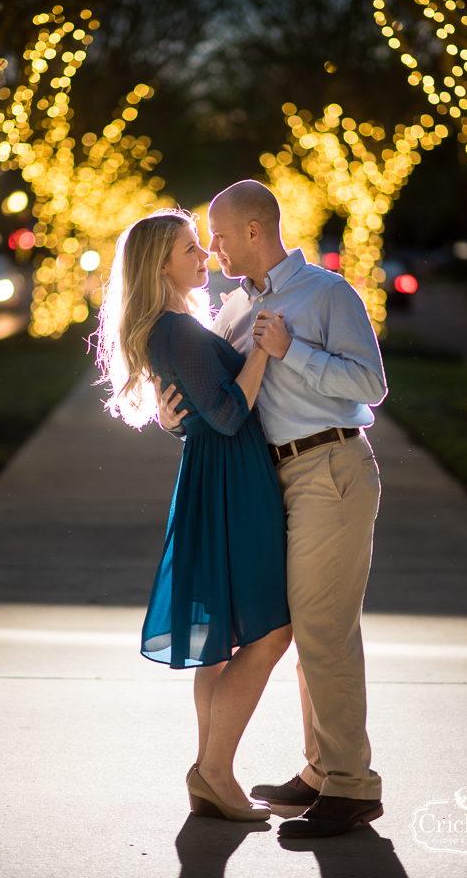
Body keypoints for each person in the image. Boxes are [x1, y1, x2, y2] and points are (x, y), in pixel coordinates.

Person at [158, 180, 387, 839]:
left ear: (255, 230)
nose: (213, 248)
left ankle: (351, 786)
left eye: (220, 236)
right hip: (274, 483)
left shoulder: (326, 294)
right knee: (301, 627)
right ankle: (320, 771)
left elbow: (370, 384)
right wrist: (177, 418)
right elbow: (219, 398)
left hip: (330, 468)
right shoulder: (234, 308)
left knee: (323, 629)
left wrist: (296, 352)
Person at [96, 209, 293, 824]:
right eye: (189, 249)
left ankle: (213, 772)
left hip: (216, 477)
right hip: (232, 480)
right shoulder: (177, 328)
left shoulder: (172, 325)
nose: (203, 255)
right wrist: (264, 351)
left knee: (220, 645)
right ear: (161, 265)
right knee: (269, 632)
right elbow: (231, 415)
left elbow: (204, 410)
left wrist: (180, 418)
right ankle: (214, 770)